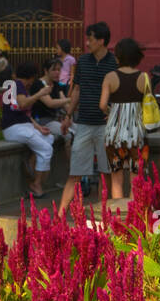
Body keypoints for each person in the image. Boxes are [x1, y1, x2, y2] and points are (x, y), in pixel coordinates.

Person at [58, 22, 118, 216]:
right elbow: (76, 89)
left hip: (106, 125)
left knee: (106, 173)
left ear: (101, 41)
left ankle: (106, 214)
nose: (87, 42)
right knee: (75, 171)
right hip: (84, 122)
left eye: (90, 39)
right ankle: (59, 216)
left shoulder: (114, 63)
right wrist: (68, 115)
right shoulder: (82, 61)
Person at [100, 36, 150, 199]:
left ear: (118, 56)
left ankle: (118, 217)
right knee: (136, 177)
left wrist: (112, 113)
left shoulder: (110, 77)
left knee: (116, 178)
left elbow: (102, 105)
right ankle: (134, 215)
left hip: (114, 133)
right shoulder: (144, 77)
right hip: (137, 133)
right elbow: (147, 105)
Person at [2, 60, 55, 198]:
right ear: (30, 76)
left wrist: (38, 127)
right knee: (46, 149)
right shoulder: (17, 85)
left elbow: (24, 113)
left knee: (49, 138)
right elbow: (23, 104)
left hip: (23, 125)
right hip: (14, 128)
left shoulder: (17, 86)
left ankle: (32, 162)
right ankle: (36, 184)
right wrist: (40, 93)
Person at [30, 56, 71, 134]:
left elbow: (64, 103)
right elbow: (50, 103)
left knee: (79, 130)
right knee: (67, 133)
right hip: (43, 120)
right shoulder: (38, 84)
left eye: (59, 70)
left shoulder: (56, 84)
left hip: (56, 119)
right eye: (54, 70)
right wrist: (70, 99)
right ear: (46, 71)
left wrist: (69, 116)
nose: (57, 72)